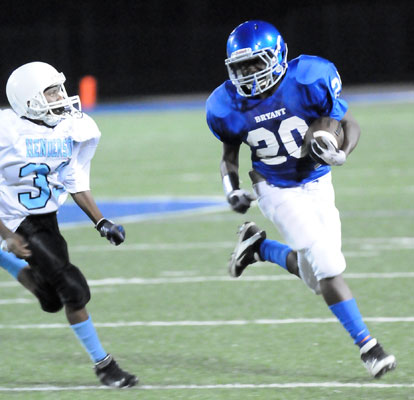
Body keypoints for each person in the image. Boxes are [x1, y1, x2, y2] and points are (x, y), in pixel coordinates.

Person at [206, 20, 396, 378]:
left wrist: (342, 152)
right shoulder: (225, 104)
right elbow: (228, 158)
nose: (248, 74)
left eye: (255, 63)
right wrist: (231, 189)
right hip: (274, 187)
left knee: (316, 277)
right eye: (241, 67)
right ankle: (369, 347)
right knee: (326, 263)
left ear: (277, 56)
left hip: (317, 180)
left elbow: (348, 122)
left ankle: (259, 248)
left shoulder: (310, 78)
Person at [0, 61, 138, 388]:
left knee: (50, 300)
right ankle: (105, 367)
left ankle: (4, 259)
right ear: (27, 99)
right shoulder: (7, 131)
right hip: (14, 217)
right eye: (51, 92)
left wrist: (100, 220)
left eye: (59, 89)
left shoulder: (70, 127)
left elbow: (72, 177)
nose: (61, 97)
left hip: (45, 218)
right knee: (74, 289)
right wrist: (6, 233)